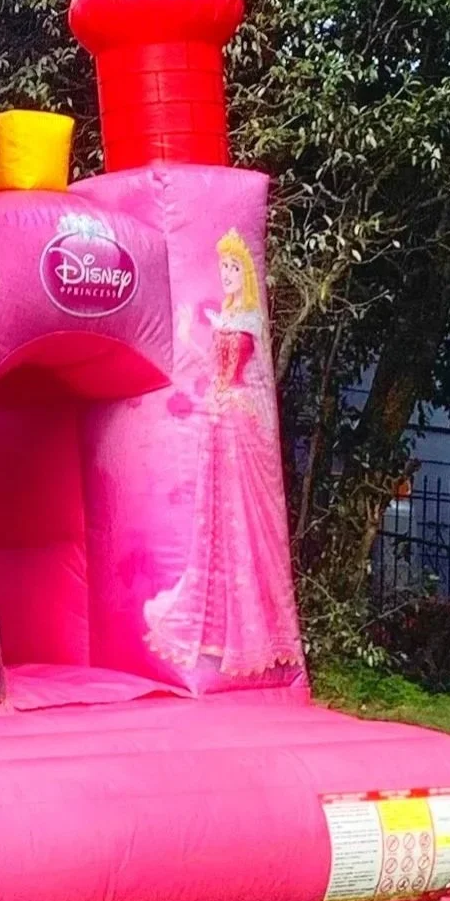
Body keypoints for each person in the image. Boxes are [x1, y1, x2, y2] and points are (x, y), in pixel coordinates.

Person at [144, 231, 304, 681]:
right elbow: (211, 368)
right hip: (217, 422)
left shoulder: (250, 319)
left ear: (246, 273)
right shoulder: (228, 317)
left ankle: (252, 625)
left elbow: (245, 379)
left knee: (240, 517)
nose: (228, 276)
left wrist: (247, 415)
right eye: (225, 269)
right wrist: (183, 336)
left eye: (234, 269)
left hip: (234, 423)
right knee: (214, 519)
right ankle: (216, 621)